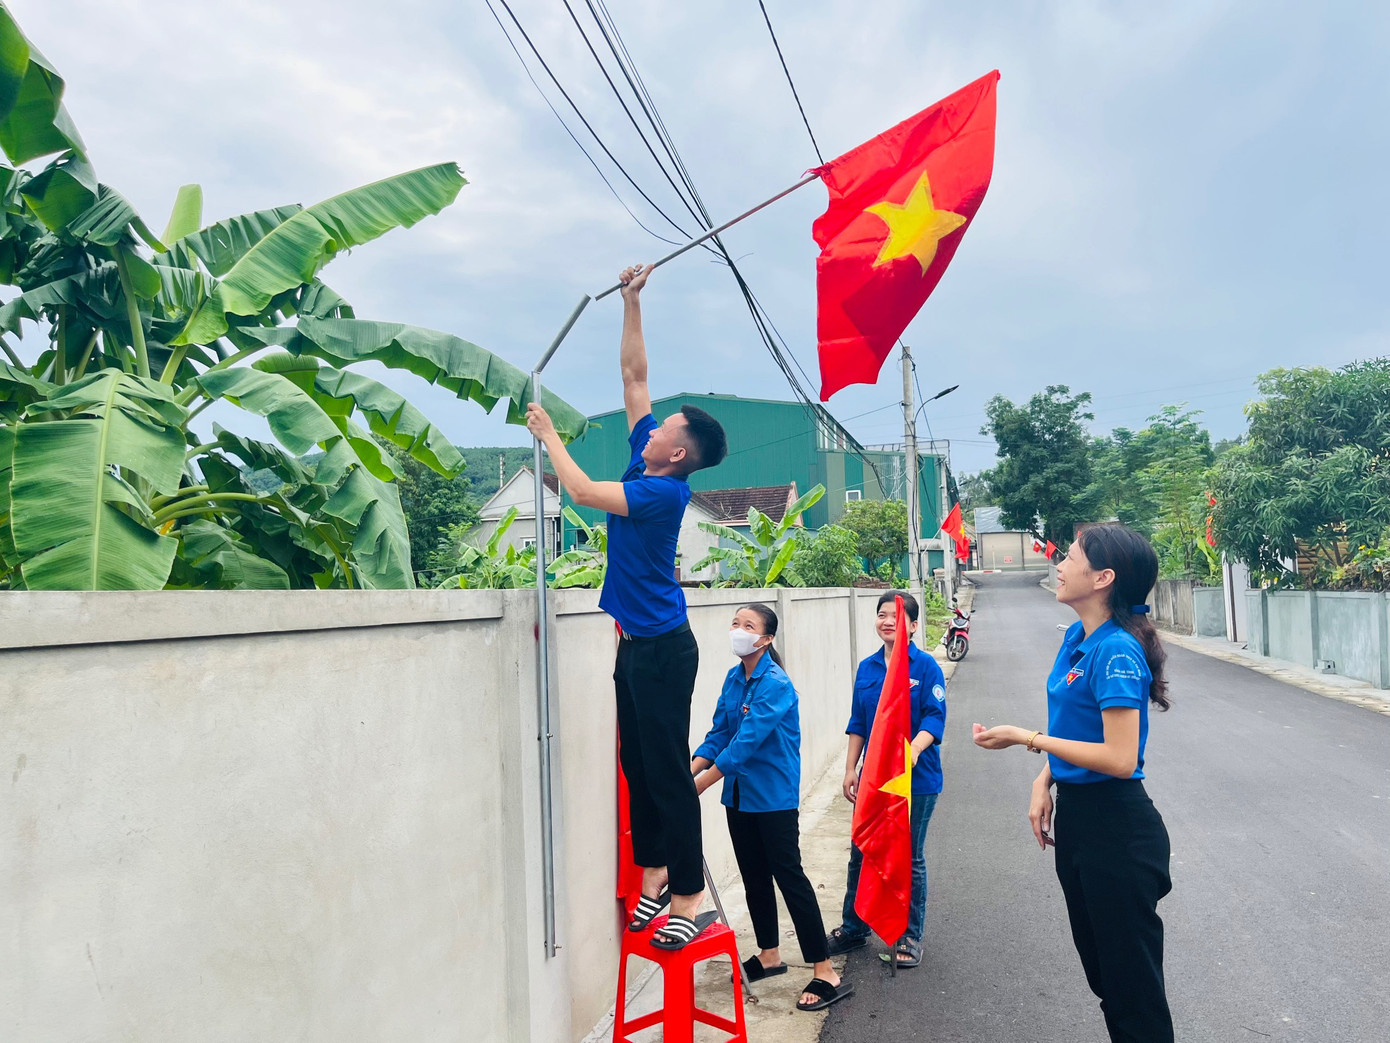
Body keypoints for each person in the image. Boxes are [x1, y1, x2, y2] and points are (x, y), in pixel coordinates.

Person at [525, 264, 728, 951]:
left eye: (663, 426)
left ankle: (691, 899)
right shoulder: (649, 460)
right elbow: (635, 378)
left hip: (667, 648)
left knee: (667, 767)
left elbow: (579, 489)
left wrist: (548, 433)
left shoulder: (658, 493)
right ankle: (653, 876)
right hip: (636, 644)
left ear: (675, 452)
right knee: (637, 763)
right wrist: (632, 302)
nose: (651, 420)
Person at [972, 523, 1175, 1043]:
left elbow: (1120, 757)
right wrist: (1046, 779)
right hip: (1081, 819)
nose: (1059, 564)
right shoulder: (1076, 637)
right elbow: (1075, 729)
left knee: (1133, 989)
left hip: (1118, 828)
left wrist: (1027, 738)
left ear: (1103, 577)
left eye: (1072, 557)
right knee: (1105, 977)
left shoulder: (1117, 652)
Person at [692, 604, 854, 1012]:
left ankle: (824, 968)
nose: (738, 631)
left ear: (765, 639)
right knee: (753, 876)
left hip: (773, 799)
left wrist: (698, 786)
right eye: (735, 623)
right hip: (740, 798)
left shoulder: (776, 684)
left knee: (789, 878)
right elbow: (718, 735)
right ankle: (769, 954)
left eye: (747, 626)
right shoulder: (734, 678)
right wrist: (687, 772)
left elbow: (744, 744)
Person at [825, 591, 947, 968]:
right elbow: (858, 723)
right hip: (874, 779)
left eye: (896, 615)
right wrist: (850, 769)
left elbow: (934, 718)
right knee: (862, 849)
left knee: (908, 857)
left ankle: (909, 934)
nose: (887, 621)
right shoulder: (867, 668)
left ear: (912, 625)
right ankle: (854, 926)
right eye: (881, 615)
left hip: (916, 780)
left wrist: (911, 752)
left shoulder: (925, 668)